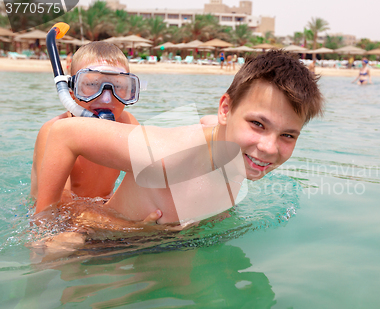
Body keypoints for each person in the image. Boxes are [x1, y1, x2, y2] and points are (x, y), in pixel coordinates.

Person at [33, 50, 324, 249]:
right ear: (226, 110)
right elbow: (62, 133)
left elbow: (208, 120)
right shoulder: (163, 157)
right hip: (100, 248)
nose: (269, 148)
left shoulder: (238, 150)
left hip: (163, 246)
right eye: (258, 124)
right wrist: (46, 228)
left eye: (288, 135)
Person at [30, 42, 140, 203]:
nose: (106, 99)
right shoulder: (53, 132)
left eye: (118, 86)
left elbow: (150, 175)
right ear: (71, 92)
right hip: (58, 218)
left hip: (102, 209)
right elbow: (57, 208)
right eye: (91, 85)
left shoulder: (128, 124)